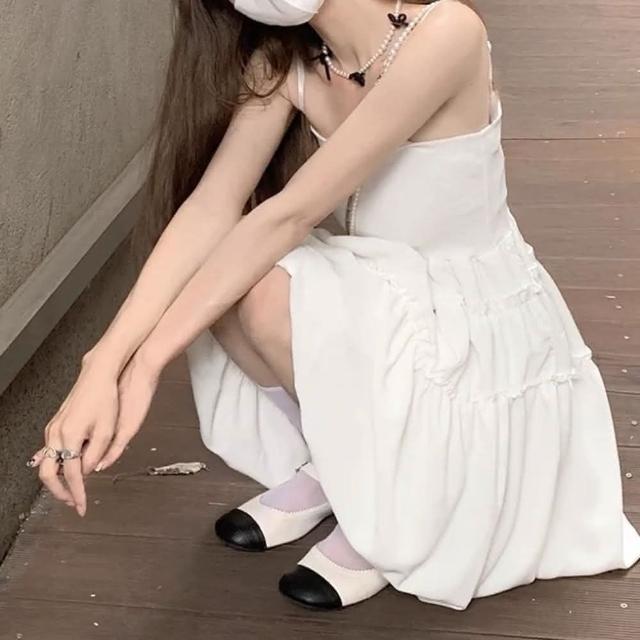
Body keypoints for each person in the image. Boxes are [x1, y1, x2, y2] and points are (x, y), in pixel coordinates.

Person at [28, 0, 640, 612]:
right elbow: (210, 208)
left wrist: (144, 366)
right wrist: (102, 364)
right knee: (229, 282)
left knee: (253, 271)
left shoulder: (447, 32)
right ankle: (338, 463)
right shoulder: (286, 63)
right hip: (380, 283)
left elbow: (289, 215)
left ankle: (390, 495)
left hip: (462, 314)